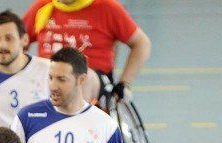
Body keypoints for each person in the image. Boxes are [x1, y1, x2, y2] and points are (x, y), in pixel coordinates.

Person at [23, 0, 152, 103]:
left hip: (92, 78)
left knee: (81, 78)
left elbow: (141, 43)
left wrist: (124, 83)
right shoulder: (42, 7)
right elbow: (18, 42)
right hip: (48, 75)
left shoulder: (107, 8)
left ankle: (74, 123)